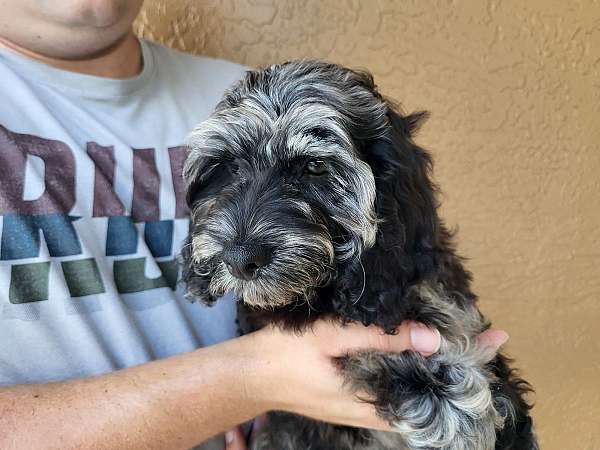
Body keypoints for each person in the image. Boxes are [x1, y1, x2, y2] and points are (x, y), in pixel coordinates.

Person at [0, 1, 508, 449]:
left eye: (310, 168)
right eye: (228, 171)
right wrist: (249, 381)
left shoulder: (245, 87)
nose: (242, 237)